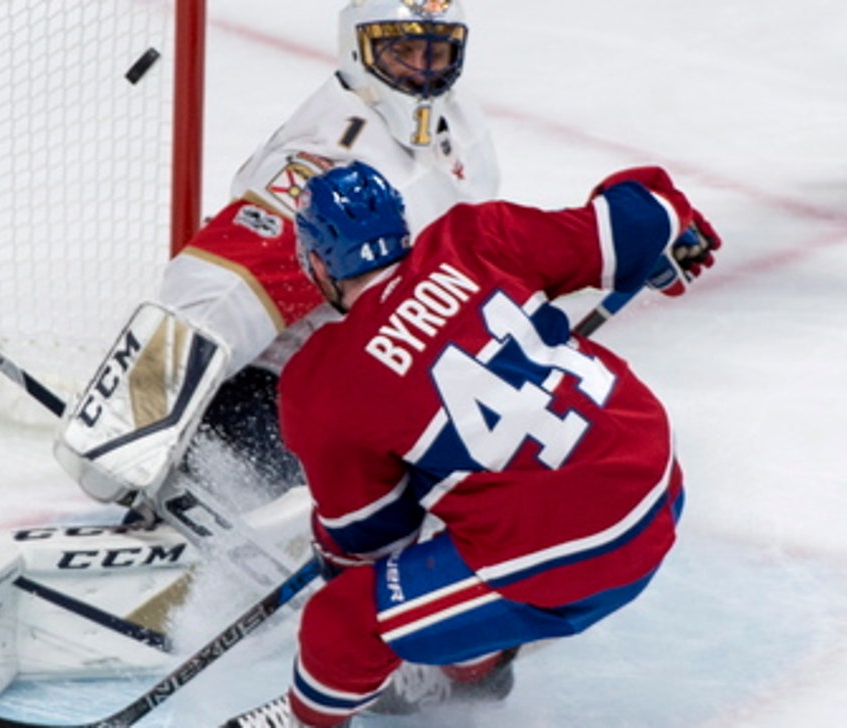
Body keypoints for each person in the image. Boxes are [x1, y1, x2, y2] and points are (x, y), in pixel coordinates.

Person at [219, 160, 721, 727]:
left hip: (579, 549)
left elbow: (368, 539)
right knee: (459, 504)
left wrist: (368, 631)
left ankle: (309, 721)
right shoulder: (472, 237)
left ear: (316, 263)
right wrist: (676, 231)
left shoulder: (322, 382)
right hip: (655, 477)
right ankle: (475, 665)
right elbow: (639, 214)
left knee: (342, 620)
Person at [55, 0, 499, 507]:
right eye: (404, 51)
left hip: (400, 371)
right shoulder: (327, 157)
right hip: (276, 398)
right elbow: (221, 289)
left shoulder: (459, 121)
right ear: (360, 48)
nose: (423, 72)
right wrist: (128, 424)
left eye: (437, 52)